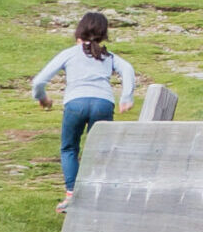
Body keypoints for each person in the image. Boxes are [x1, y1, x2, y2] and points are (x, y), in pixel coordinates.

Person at [30, 11, 136, 212]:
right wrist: (126, 98)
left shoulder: (69, 53)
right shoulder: (108, 56)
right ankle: (100, 195)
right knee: (100, 149)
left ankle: (72, 194)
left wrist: (42, 97)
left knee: (69, 148)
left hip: (76, 103)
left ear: (79, 31)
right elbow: (128, 70)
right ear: (104, 34)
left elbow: (39, 80)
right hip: (103, 102)